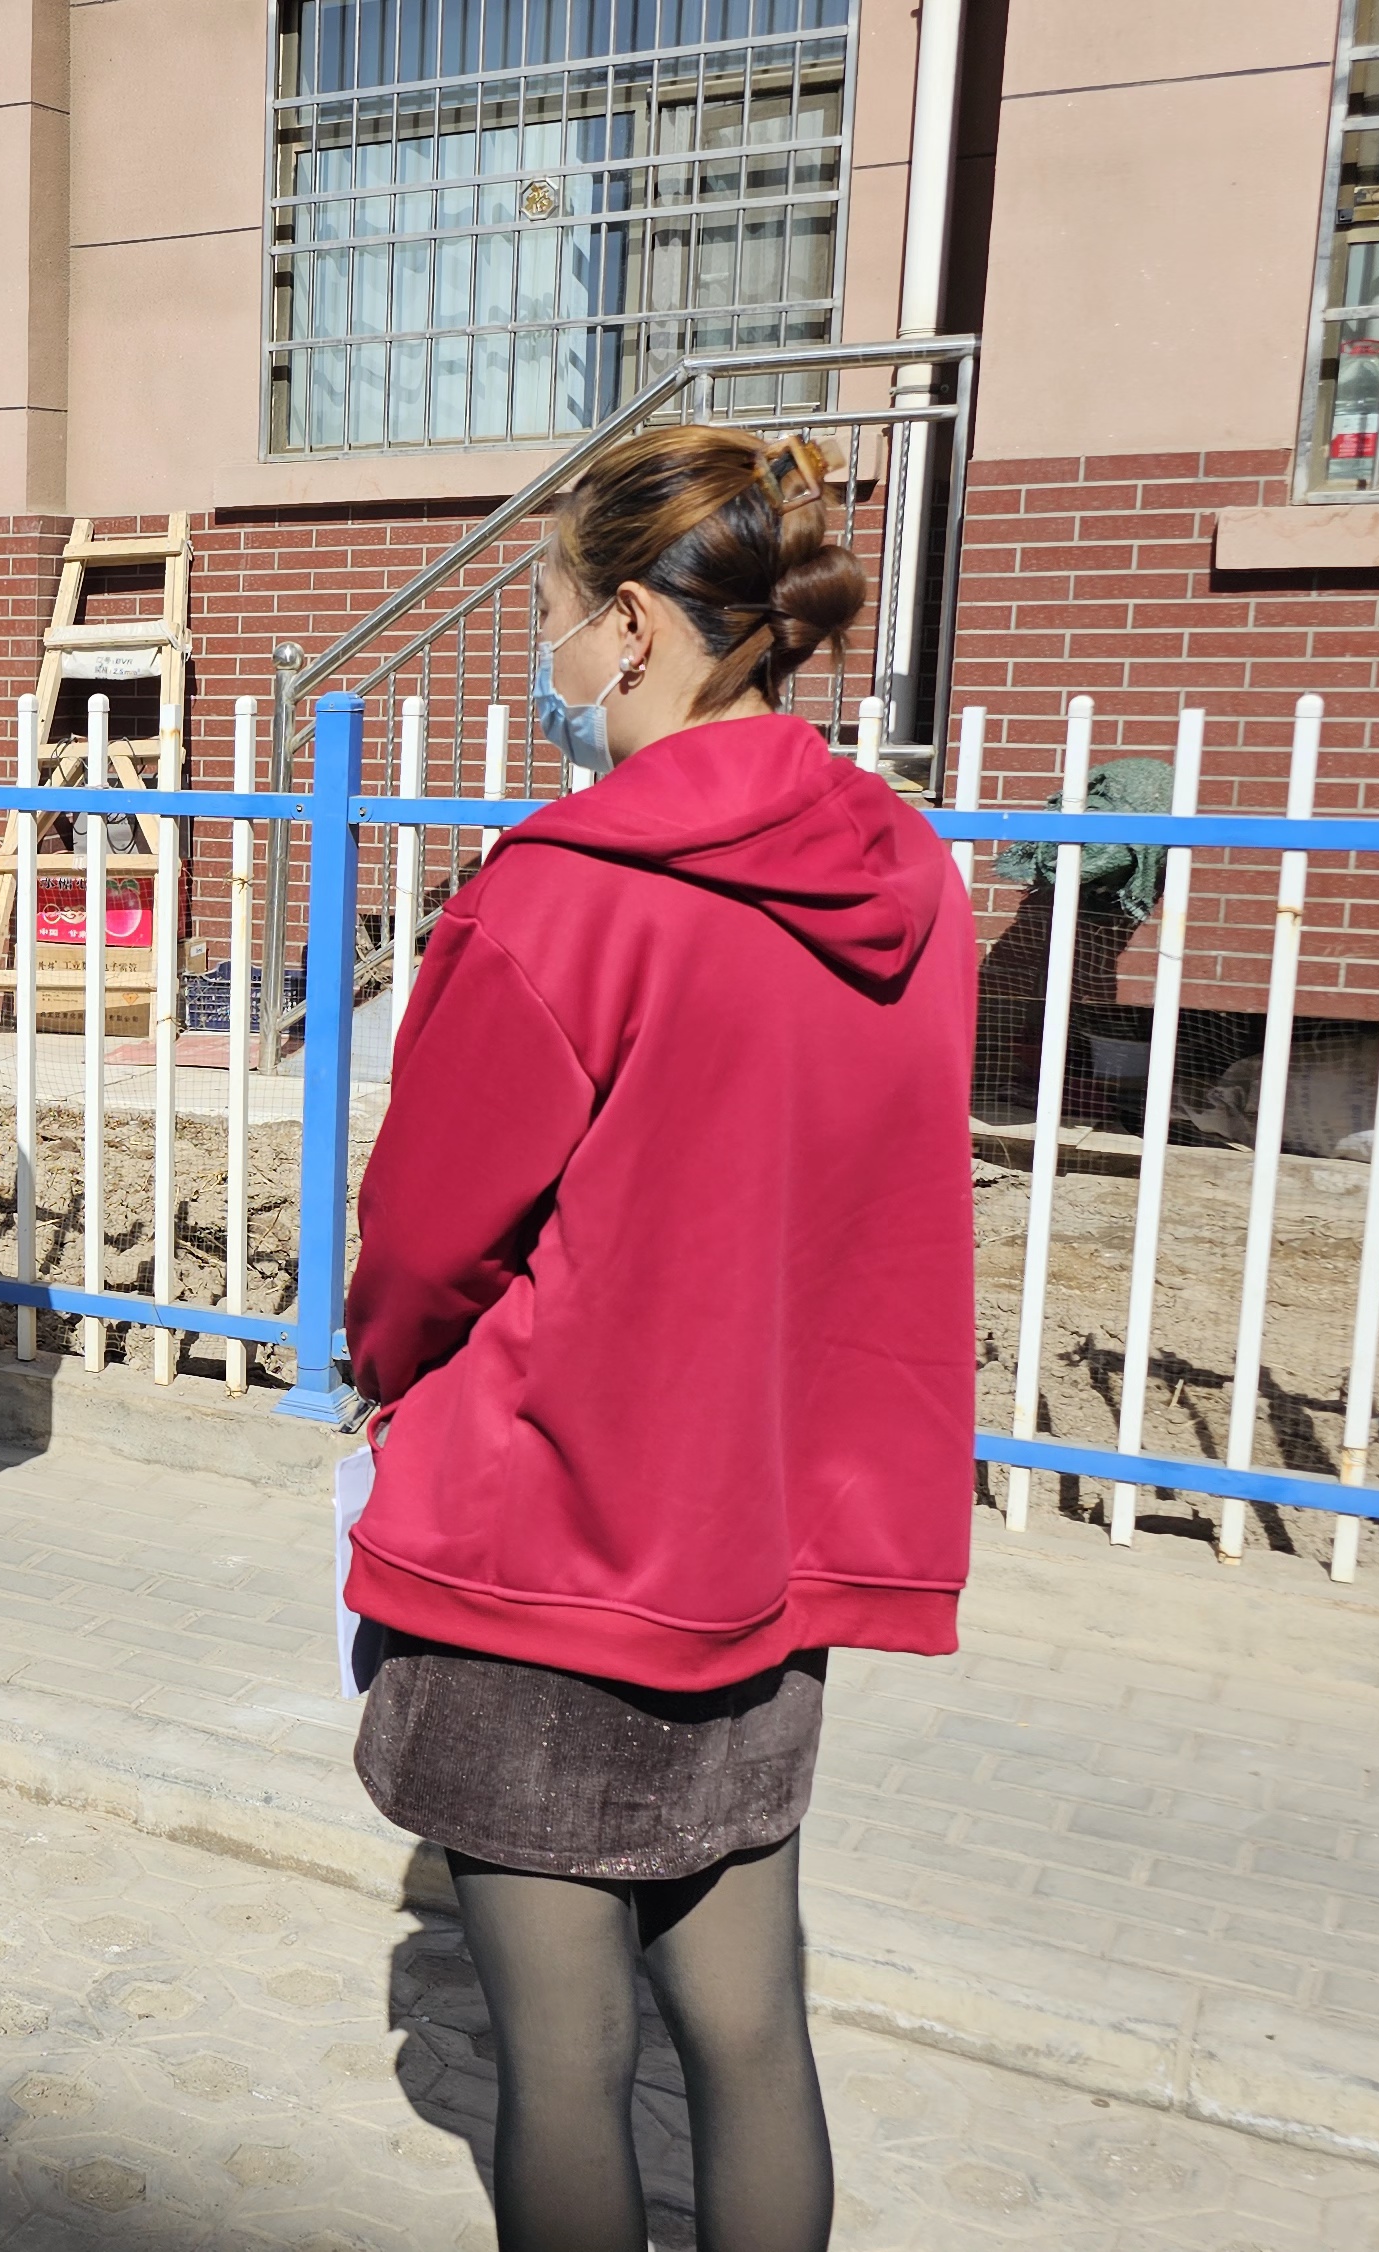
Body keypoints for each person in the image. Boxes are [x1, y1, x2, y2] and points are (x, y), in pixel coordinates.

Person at [341, 425, 977, 2252]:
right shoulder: (910, 876)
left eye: (549, 613)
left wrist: (389, 1385)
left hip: (550, 1543)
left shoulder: (563, 894)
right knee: (751, 2023)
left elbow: (424, 1249)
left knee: (564, 2066)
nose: (545, 657)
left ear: (629, 625)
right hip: (764, 1542)